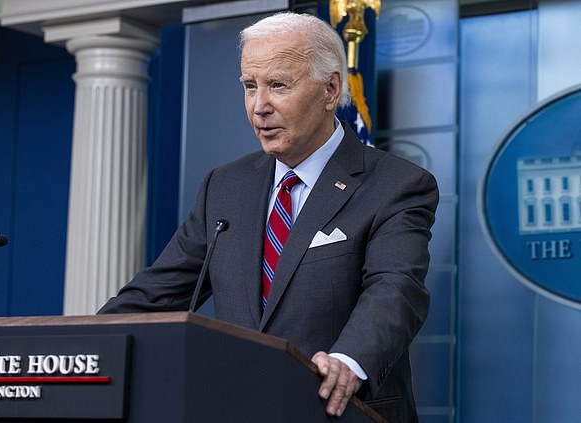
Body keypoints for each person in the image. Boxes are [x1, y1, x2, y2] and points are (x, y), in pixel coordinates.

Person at [99, 12, 438, 423]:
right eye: (249, 87)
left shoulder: (396, 184)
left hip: (339, 410)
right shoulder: (224, 186)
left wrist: (348, 361)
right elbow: (154, 296)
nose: (260, 107)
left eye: (278, 85)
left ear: (330, 90)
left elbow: (395, 289)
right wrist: (81, 346)